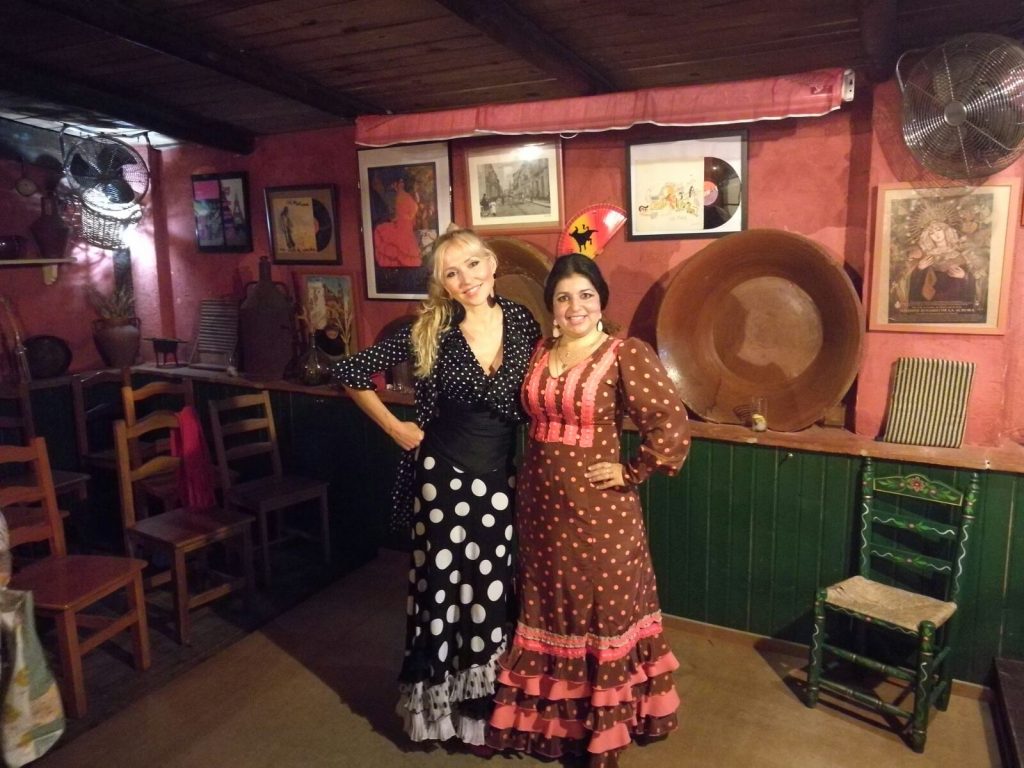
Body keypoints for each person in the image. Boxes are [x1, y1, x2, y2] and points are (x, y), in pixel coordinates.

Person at [330, 228, 541, 748]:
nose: (466, 278)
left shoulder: (522, 321)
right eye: (452, 272)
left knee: (492, 595)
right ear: (442, 284)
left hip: (499, 481)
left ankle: (486, 714)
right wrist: (396, 428)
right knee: (444, 591)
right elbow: (350, 371)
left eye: (472, 264)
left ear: (491, 263)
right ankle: (439, 716)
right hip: (441, 480)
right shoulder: (430, 327)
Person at [487, 253, 691, 767]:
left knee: (599, 613)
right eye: (563, 297)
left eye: (584, 295)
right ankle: (552, 726)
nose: (574, 306)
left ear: (600, 301)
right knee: (548, 605)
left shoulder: (625, 353)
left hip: (599, 515)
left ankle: (604, 730)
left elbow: (669, 423)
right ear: (551, 307)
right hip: (538, 509)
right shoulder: (537, 351)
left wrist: (630, 471)